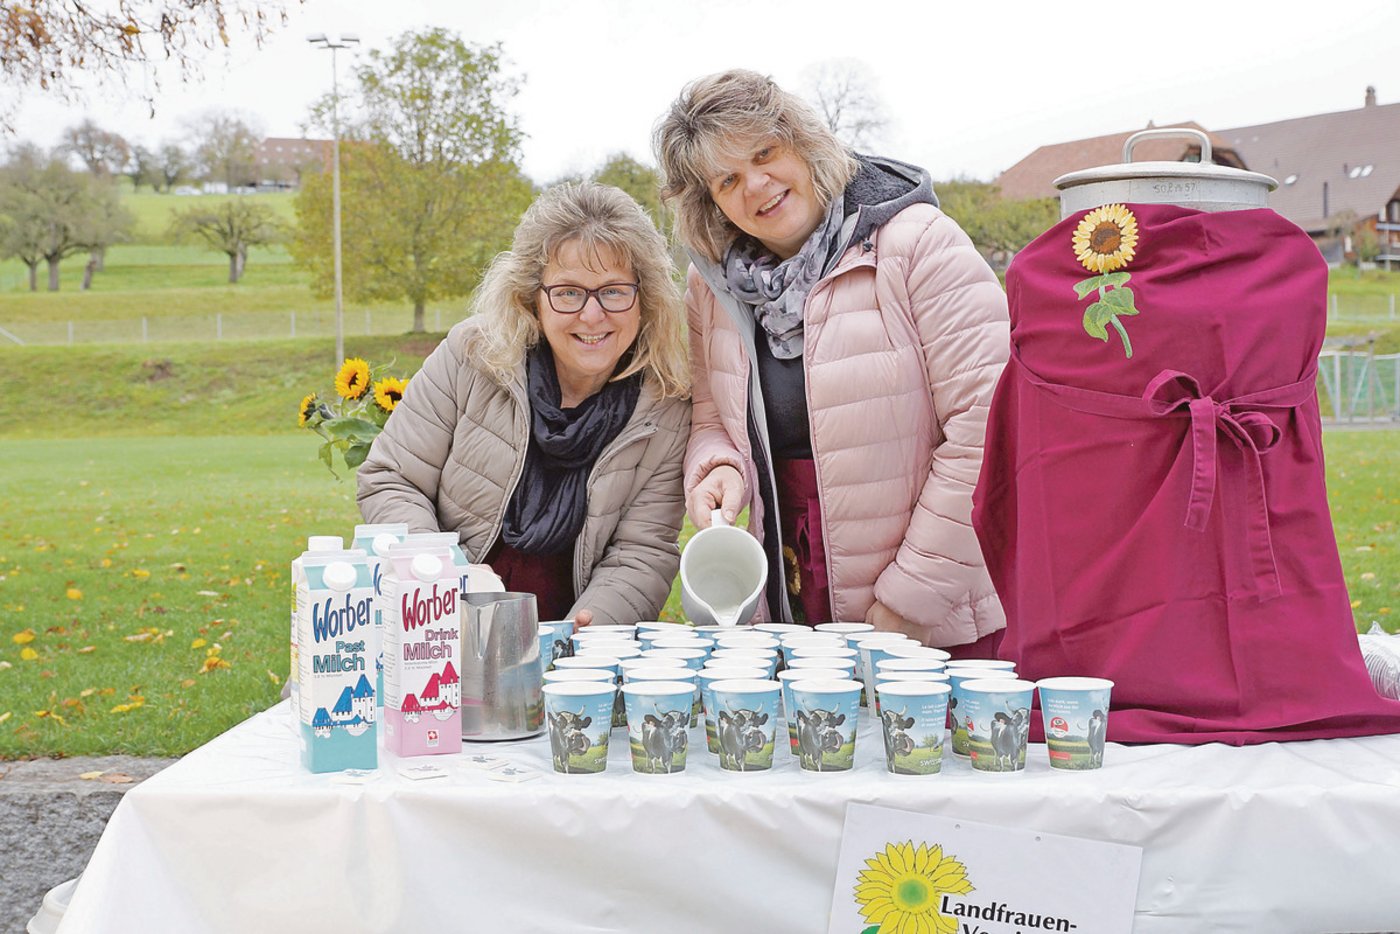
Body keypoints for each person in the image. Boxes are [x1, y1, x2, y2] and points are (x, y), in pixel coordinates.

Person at [653, 69, 1008, 653]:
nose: (757, 184)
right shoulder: (710, 286)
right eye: (727, 178)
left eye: (765, 152)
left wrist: (907, 602)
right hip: (786, 589)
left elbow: (987, 431)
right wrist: (719, 466)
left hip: (927, 603)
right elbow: (710, 415)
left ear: (804, 143)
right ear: (709, 201)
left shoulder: (918, 243)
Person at [357, 182, 691, 628]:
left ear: (644, 299)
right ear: (533, 298)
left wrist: (585, 637)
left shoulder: (667, 406)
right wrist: (443, 583)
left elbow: (641, 553)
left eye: (613, 291)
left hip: (567, 645)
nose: (592, 316)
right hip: (430, 623)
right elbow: (391, 478)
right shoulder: (471, 355)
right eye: (569, 292)